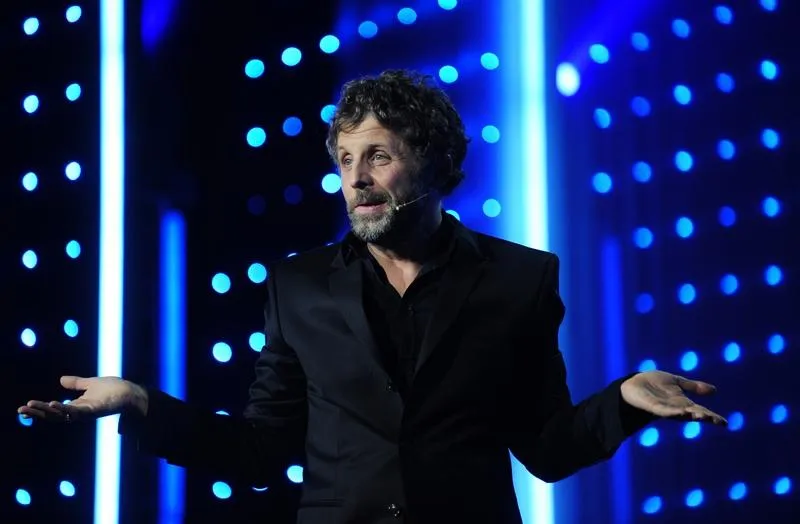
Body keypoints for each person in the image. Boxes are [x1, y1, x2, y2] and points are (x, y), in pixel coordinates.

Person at [19, 69, 726, 524]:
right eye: (346, 160)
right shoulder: (296, 287)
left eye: (379, 156)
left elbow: (543, 447)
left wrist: (624, 399)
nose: (355, 180)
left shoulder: (520, 279)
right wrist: (143, 406)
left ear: (440, 165)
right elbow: (263, 452)